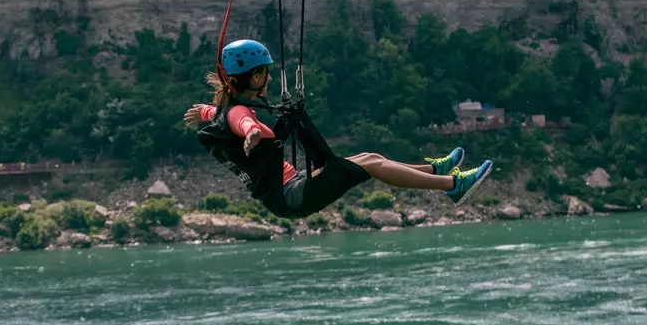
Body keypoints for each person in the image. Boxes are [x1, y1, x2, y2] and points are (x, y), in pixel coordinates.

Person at [185, 39, 492, 219]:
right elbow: (244, 123)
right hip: (292, 195)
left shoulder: (223, 113)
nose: (268, 78)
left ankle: (435, 171)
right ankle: (453, 186)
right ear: (254, 77)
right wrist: (253, 132)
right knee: (370, 165)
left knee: (368, 156)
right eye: (266, 73)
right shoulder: (240, 114)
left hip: (291, 187)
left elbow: (224, 116)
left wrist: (204, 112)